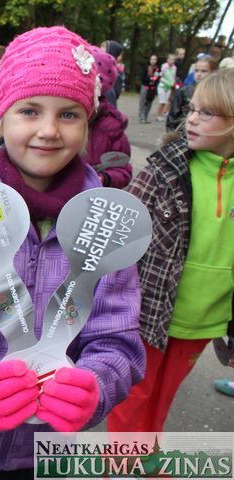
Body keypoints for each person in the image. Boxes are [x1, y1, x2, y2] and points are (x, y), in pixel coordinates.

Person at [0, 27, 144, 478]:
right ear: (2, 116)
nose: (49, 131)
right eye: (29, 111)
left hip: (48, 453)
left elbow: (117, 340)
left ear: (89, 122)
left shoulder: (107, 227)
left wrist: (96, 386)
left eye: (69, 114)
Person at [108, 69, 234, 432]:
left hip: (205, 319)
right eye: (192, 109)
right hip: (150, 313)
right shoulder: (163, 170)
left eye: (206, 113)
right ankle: (120, 460)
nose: (191, 119)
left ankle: (146, 455)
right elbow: (120, 234)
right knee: (135, 394)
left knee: (164, 396)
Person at [86, 46, 132, 188]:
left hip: (92, 196)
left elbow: (122, 168)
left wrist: (103, 178)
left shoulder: (111, 127)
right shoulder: (57, 120)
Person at [166, 57, 218, 132]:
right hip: (184, 132)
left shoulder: (218, 93)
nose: (198, 74)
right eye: (196, 71)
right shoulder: (185, 91)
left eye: (204, 71)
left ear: (213, 72)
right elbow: (172, 117)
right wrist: (172, 135)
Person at [138, 53, 160, 123]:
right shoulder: (146, 67)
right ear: (150, 60)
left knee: (149, 103)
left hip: (152, 88)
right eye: (152, 59)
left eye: (154, 59)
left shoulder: (157, 69)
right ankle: (141, 117)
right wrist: (150, 79)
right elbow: (143, 78)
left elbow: (158, 78)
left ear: (156, 60)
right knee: (142, 102)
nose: (153, 61)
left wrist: (155, 80)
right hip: (145, 86)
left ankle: (146, 117)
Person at [156, 53, 177, 122]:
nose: (172, 61)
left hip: (169, 87)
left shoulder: (174, 68)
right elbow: (161, 77)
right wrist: (167, 82)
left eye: (173, 60)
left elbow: (173, 77)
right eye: (170, 59)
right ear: (167, 60)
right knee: (162, 102)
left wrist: (173, 83)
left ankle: (162, 115)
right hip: (162, 86)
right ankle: (158, 116)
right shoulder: (164, 66)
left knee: (165, 102)